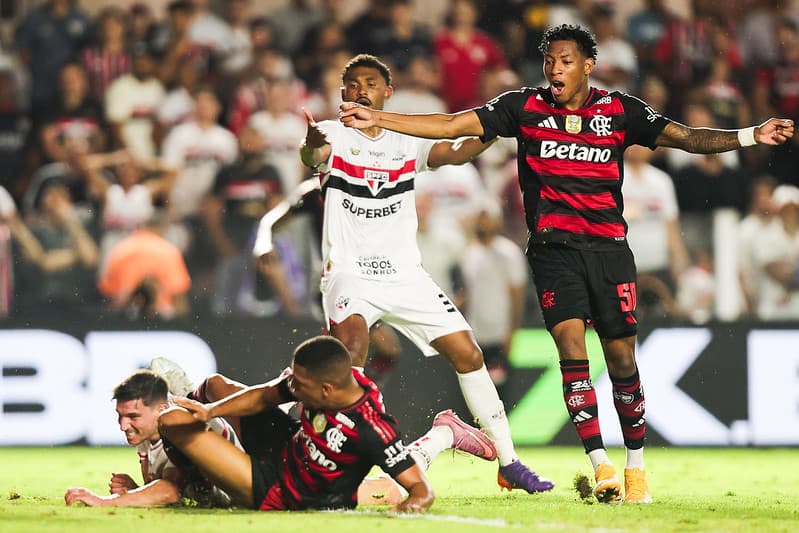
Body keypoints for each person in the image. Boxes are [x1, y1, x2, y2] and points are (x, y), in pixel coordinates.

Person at [337, 24, 795, 504]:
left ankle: (636, 469)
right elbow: (452, 125)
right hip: (553, 252)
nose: (555, 68)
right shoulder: (523, 106)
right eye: (550, 60)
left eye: (566, 60)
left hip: (610, 250)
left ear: (588, 65)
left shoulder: (619, 110)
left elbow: (684, 137)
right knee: (572, 352)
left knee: (621, 361)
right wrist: (379, 121)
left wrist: (750, 135)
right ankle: (601, 466)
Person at [298, 53, 551, 494]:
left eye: (371, 83)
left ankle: (509, 461)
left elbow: (455, 151)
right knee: (350, 352)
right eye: (353, 84)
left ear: (386, 93)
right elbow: (311, 154)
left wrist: (495, 127)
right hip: (350, 273)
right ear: (342, 94)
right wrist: (310, 142)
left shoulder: (405, 137)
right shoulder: (332, 135)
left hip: (405, 275)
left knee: (469, 354)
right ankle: (341, 460)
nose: (361, 90)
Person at [159, 336, 495, 511]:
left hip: (284, 490)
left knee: (171, 421)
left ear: (327, 389)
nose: (292, 389)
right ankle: (207, 456)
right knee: (216, 387)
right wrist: (210, 411)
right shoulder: (314, 384)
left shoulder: (371, 428)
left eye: (299, 387)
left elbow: (421, 491)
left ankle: (199, 486)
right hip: (289, 448)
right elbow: (263, 397)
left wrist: (411, 507)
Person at [64, 369, 241, 507]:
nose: (123, 426)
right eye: (120, 415)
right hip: (224, 483)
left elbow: (170, 492)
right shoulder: (148, 426)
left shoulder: (178, 426)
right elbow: (164, 485)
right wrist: (137, 491)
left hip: (247, 488)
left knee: (214, 384)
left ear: (162, 409)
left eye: (133, 417)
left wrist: (103, 501)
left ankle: (192, 395)